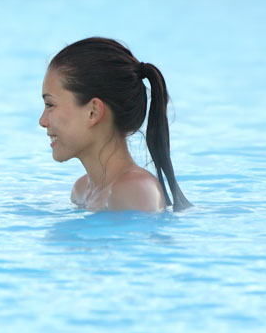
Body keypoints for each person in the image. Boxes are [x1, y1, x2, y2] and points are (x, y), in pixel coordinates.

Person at [40, 37, 192, 212]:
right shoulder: (81, 192)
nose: (42, 121)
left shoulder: (136, 191)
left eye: (50, 105)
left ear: (93, 112)